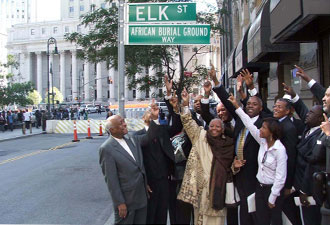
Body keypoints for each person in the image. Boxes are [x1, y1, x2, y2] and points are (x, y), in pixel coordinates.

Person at [209, 67, 265, 225]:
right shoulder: (241, 120)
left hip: (255, 174)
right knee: (240, 211)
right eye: (248, 104)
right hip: (238, 172)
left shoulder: (264, 123)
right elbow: (228, 101)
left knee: (255, 213)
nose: (250, 106)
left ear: (260, 108)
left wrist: (252, 88)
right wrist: (215, 81)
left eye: (254, 104)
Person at [177, 88, 234, 225]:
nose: (214, 129)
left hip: (218, 191)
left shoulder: (227, 145)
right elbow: (188, 122)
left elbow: (229, 168)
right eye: (212, 126)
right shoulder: (201, 136)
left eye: (217, 127)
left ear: (222, 130)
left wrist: (235, 167)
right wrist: (185, 105)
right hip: (201, 191)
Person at [228, 94, 287, 225]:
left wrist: (272, 197)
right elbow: (248, 123)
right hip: (259, 189)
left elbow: (281, 177)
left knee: (275, 220)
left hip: (273, 191)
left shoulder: (280, 150)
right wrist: (237, 106)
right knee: (260, 220)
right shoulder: (262, 142)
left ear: (271, 131)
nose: (260, 129)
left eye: (263, 128)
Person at [99, 102, 160, 225]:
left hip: (141, 198)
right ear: (112, 130)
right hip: (126, 202)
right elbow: (112, 180)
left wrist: (154, 119)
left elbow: (149, 137)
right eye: (121, 123)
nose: (125, 124)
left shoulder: (132, 138)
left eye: (123, 121)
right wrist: (119, 203)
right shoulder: (107, 148)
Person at [283, 83, 325, 224]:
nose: (307, 115)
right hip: (299, 184)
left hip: (310, 189)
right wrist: (294, 96)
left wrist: (304, 190)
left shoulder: (321, 135)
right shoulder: (308, 128)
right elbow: (302, 110)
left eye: (312, 113)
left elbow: (311, 164)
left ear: (321, 119)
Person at [135, 107, 179, 224]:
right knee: (150, 214)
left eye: (154, 113)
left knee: (162, 213)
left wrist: (175, 109)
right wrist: (144, 182)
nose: (152, 114)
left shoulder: (163, 131)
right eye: (149, 113)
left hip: (165, 180)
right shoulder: (137, 136)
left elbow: (176, 127)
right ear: (143, 118)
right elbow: (148, 139)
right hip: (150, 182)